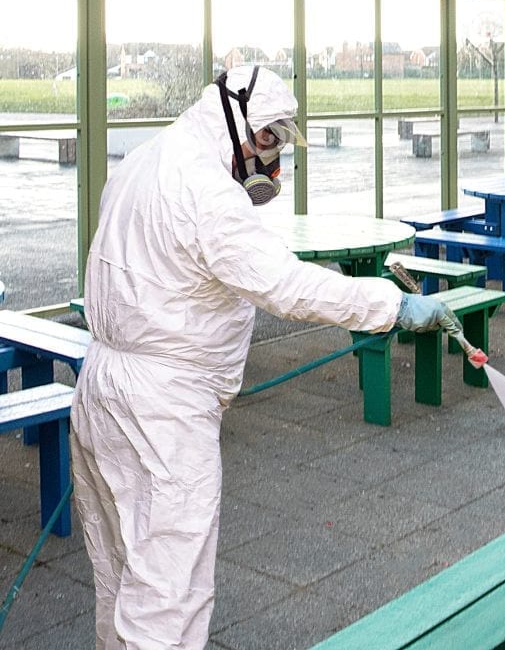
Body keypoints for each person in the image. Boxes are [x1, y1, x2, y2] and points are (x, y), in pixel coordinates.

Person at [71, 66, 454, 649]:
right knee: (169, 593)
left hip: (101, 387)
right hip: (164, 410)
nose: (270, 162)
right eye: (267, 139)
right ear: (234, 121)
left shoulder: (145, 160)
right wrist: (392, 305)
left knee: (121, 571)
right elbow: (288, 286)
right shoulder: (207, 190)